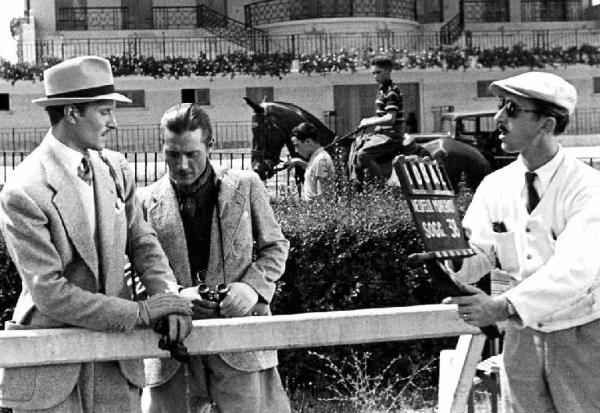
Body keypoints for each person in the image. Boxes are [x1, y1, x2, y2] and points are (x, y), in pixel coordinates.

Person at [0, 55, 193, 413]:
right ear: (72, 112)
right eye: (104, 111)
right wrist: (140, 312)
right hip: (52, 369)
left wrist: (170, 301)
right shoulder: (23, 189)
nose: (113, 123)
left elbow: (144, 244)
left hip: (115, 368)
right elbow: (50, 293)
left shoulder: (116, 168)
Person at [442, 71, 600, 412]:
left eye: (512, 109)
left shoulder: (588, 188)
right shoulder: (495, 185)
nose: (498, 118)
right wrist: (447, 255)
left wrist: (500, 307)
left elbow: (576, 269)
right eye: (501, 106)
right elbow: (479, 253)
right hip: (521, 338)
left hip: (583, 335)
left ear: (546, 123)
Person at [138, 103, 291, 413]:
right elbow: (130, 269)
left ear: (211, 145)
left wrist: (250, 288)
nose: (182, 165)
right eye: (172, 154)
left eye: (192, 154)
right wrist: (175, 298)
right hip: (172, 355)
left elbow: (275, 247)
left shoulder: (247, 185)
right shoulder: (143, 201)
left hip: (242, 349)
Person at [354, 55, 405, 178]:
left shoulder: (391, 92)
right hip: (381, 135)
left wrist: (369, 122)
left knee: (363, 155)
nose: (375, 76)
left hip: (391, 136)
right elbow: (382, 116)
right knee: (355, 144)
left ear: (388, 71)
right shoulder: (382, 91)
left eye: (378, 72)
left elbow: (390, 118)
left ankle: (382, 184)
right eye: (373, 73)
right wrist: (369, 120)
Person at [285, 121, 335, 201]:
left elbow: (323, 198)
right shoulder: (316, 157)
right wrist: (299, 162)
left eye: (297, 146)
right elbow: (313, 172)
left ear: (308, 141)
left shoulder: (321, 159)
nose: (296, 151)